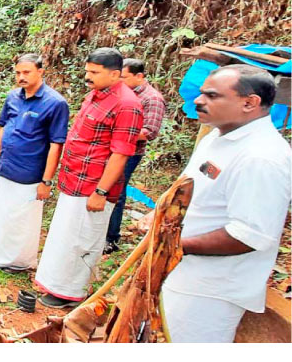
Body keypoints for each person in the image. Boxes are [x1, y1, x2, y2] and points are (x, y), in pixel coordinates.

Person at [154, 65, 290, 343]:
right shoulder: (215, 137)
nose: (197, 100)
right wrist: (156, 216)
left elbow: (249, 235)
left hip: (210, 289)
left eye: (212, 96)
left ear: (249, 103)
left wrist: (175, 244)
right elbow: (186, 187)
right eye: (202, 93)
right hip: (179, 271)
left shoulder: (262, 157)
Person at [35, 47, 143, 308]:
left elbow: (120, 154)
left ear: (115, 74)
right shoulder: (96, 95)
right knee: (65, 236)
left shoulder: (127, 105)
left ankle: (70, 293)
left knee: (82, 239)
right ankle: (55, 284)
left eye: (94, 72)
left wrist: (102, 192)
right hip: (74, 179)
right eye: (87, 70)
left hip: (93, 186)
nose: (88, 76)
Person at [0, 54, 69, 271]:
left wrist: (47, 181)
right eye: (18, 73)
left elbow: (56, 144)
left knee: (24, 222)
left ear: (40, 72)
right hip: (7, 167)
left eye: (26, 72)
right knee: (4, 215)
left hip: (31, 172)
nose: (21, 77)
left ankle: (19, 263)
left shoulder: (55, 103)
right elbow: (2, 129)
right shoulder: (13, 97)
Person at [104, 58, 166, 253]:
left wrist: (121, 131)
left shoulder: (151, 98)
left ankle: (110, 238)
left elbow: (150, 131)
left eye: (124, 77)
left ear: (139, 76)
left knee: (117, 190)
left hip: (129, 152)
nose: (119, 81)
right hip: (110, 148)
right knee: (103, 188)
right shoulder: (121, 92)